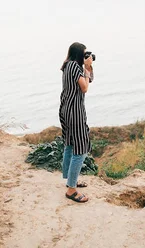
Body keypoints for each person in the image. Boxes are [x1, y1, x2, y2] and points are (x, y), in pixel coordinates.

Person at [59, 42, 94, 203]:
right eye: (85, 54)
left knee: (70, 145)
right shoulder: (74, 66)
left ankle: (70, 181)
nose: (86, 57)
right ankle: (71, 189)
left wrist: (88, 67)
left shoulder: (68, 66)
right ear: (79, 54)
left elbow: (89, 80)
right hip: (75, 112)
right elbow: (85, 88)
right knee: (80, 149)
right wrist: (85, 68)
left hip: (66, 110)